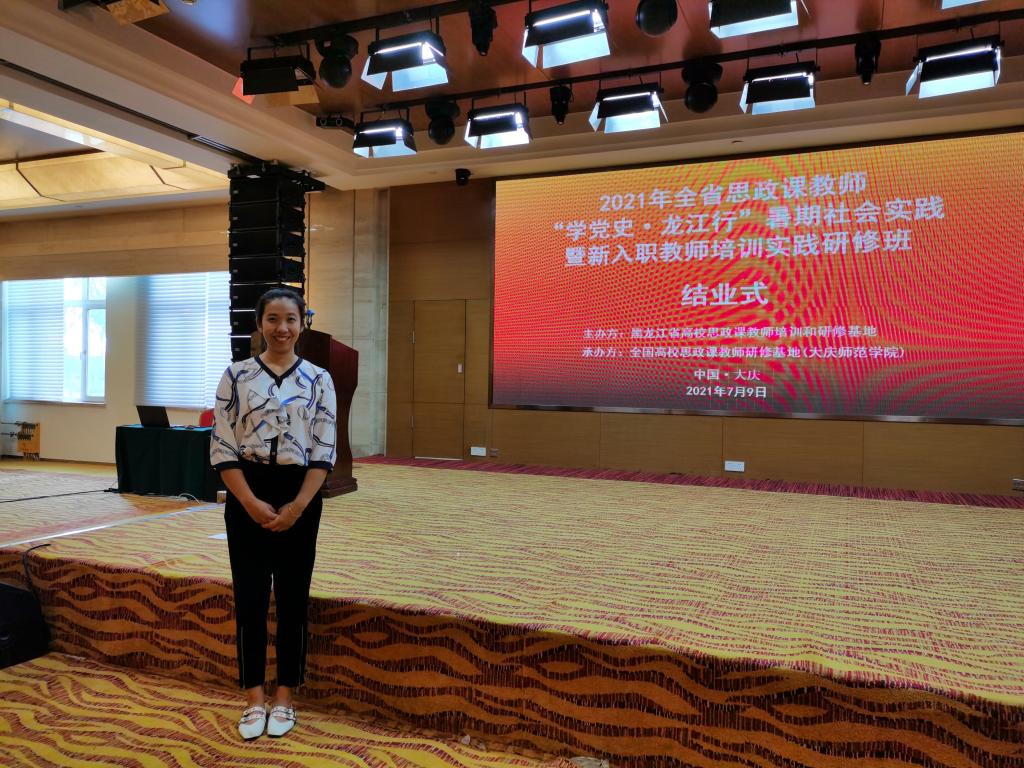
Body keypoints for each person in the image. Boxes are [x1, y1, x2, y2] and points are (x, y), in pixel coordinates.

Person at [210, 287, 337, 740]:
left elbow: (324, 450)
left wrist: (298, 507)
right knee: (249, 598)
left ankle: (285, 695)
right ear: (260, 324)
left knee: (292, 597)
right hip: (247, 490)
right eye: (272, 319)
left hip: (301, 492)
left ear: (303, 323)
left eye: (291, 319)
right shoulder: (236, 375)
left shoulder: (319, 379)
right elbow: (222, 445)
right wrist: (248, 502)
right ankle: (253, 698)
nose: (282, 328)